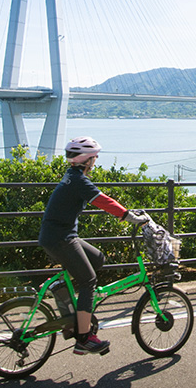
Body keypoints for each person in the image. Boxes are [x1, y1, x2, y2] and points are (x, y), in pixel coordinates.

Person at [38, 137, 149, 356]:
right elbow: (102, 200)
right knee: (88, 281)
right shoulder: (79, 181)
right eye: (95, 157)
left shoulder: (72, 176)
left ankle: (62, 291)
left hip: (59, 235)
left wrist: (125, 214)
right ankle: (84, 338)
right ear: (86, 160)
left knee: (97, 259)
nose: (96, 161)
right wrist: (128, 216)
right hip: (60, 238)